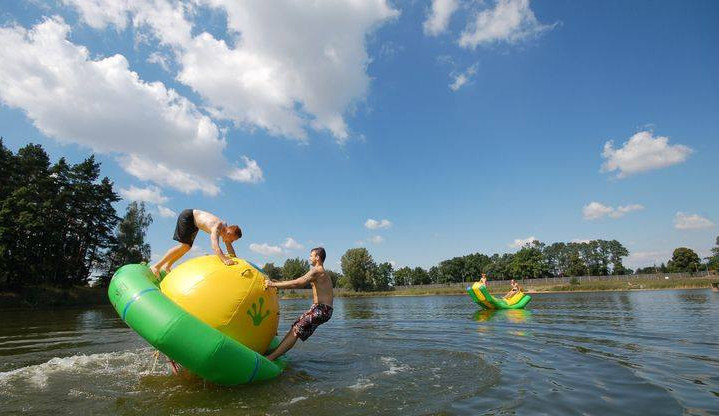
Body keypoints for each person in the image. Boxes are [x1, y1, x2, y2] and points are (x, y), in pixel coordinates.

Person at [264, 247, 333, 361]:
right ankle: (277, 351)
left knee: (297, 330)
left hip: (322, 309)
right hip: (319, 308)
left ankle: (271, 358)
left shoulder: (317, 271)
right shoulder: (320, 272)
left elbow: (297, 283)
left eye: (311, 255)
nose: (309, 258)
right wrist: (279, 283)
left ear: (317, 257)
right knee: (294, 327)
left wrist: (273, 284)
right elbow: (297, 281)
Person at [151, 209, 241, 277]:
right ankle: (156, 266)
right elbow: (215, 247)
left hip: (194, 224)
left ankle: (167, 266)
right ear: (229, 233)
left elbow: (230, 251)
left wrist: (236, 260)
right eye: (232, 239)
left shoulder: (226, 230)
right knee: (185, 246)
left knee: (186, 247)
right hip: (188, 217)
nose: (231, 242)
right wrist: (225, 259)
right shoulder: (217, 227)